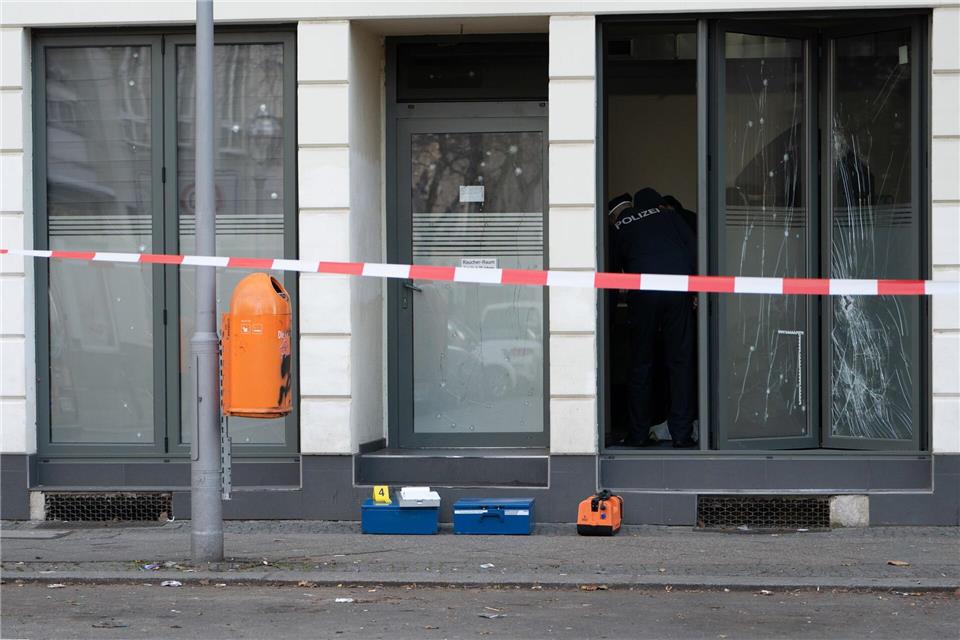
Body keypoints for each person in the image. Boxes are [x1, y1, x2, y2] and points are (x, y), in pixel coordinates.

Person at [609, 188, 697, 448]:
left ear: (614, 215)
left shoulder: (620, 227)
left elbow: (613, 274)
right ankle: (681, 435)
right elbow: (694, 247)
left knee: (641, 363)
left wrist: (611, 314)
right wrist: (697, 290)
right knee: (681, 361)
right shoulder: (667, 215)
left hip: (644, 291)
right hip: (678, 287)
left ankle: (637, 435)